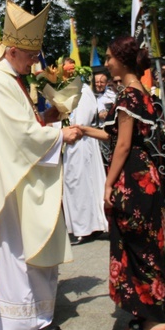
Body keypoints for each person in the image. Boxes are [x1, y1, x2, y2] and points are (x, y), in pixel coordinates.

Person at [0, 0, 81, 330]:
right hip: (10, 182)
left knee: (19, 247)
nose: (35, 62)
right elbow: (20, 136)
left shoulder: (3, 75)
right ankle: (23, 318)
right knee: (17, 248)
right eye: (31, 56)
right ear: (12, 50)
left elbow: (20, 126)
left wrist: (47, 118)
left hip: (12, 172)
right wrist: (61, 134)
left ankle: (24, 314)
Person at [79, 36, 165, 330]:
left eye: (109, 57)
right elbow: (117, 136)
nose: (106, 62)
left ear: (122, 59)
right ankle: (157, 313)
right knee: (147, 245)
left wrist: (108, 184)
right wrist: (84, 130)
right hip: (146, 174)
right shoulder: (141, 93)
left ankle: (153, 319)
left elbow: (123, 145)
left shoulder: (128, 97)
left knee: (137, 246)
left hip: (133, 177)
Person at [59, 63, 108, 245]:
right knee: (76, 184)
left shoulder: (84, 91)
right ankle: (82, 226)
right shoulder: (71, 91)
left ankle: (86, 228)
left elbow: (81, 120)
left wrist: (63, 127)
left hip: (81, 142)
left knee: (83, 184)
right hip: (73, 144)